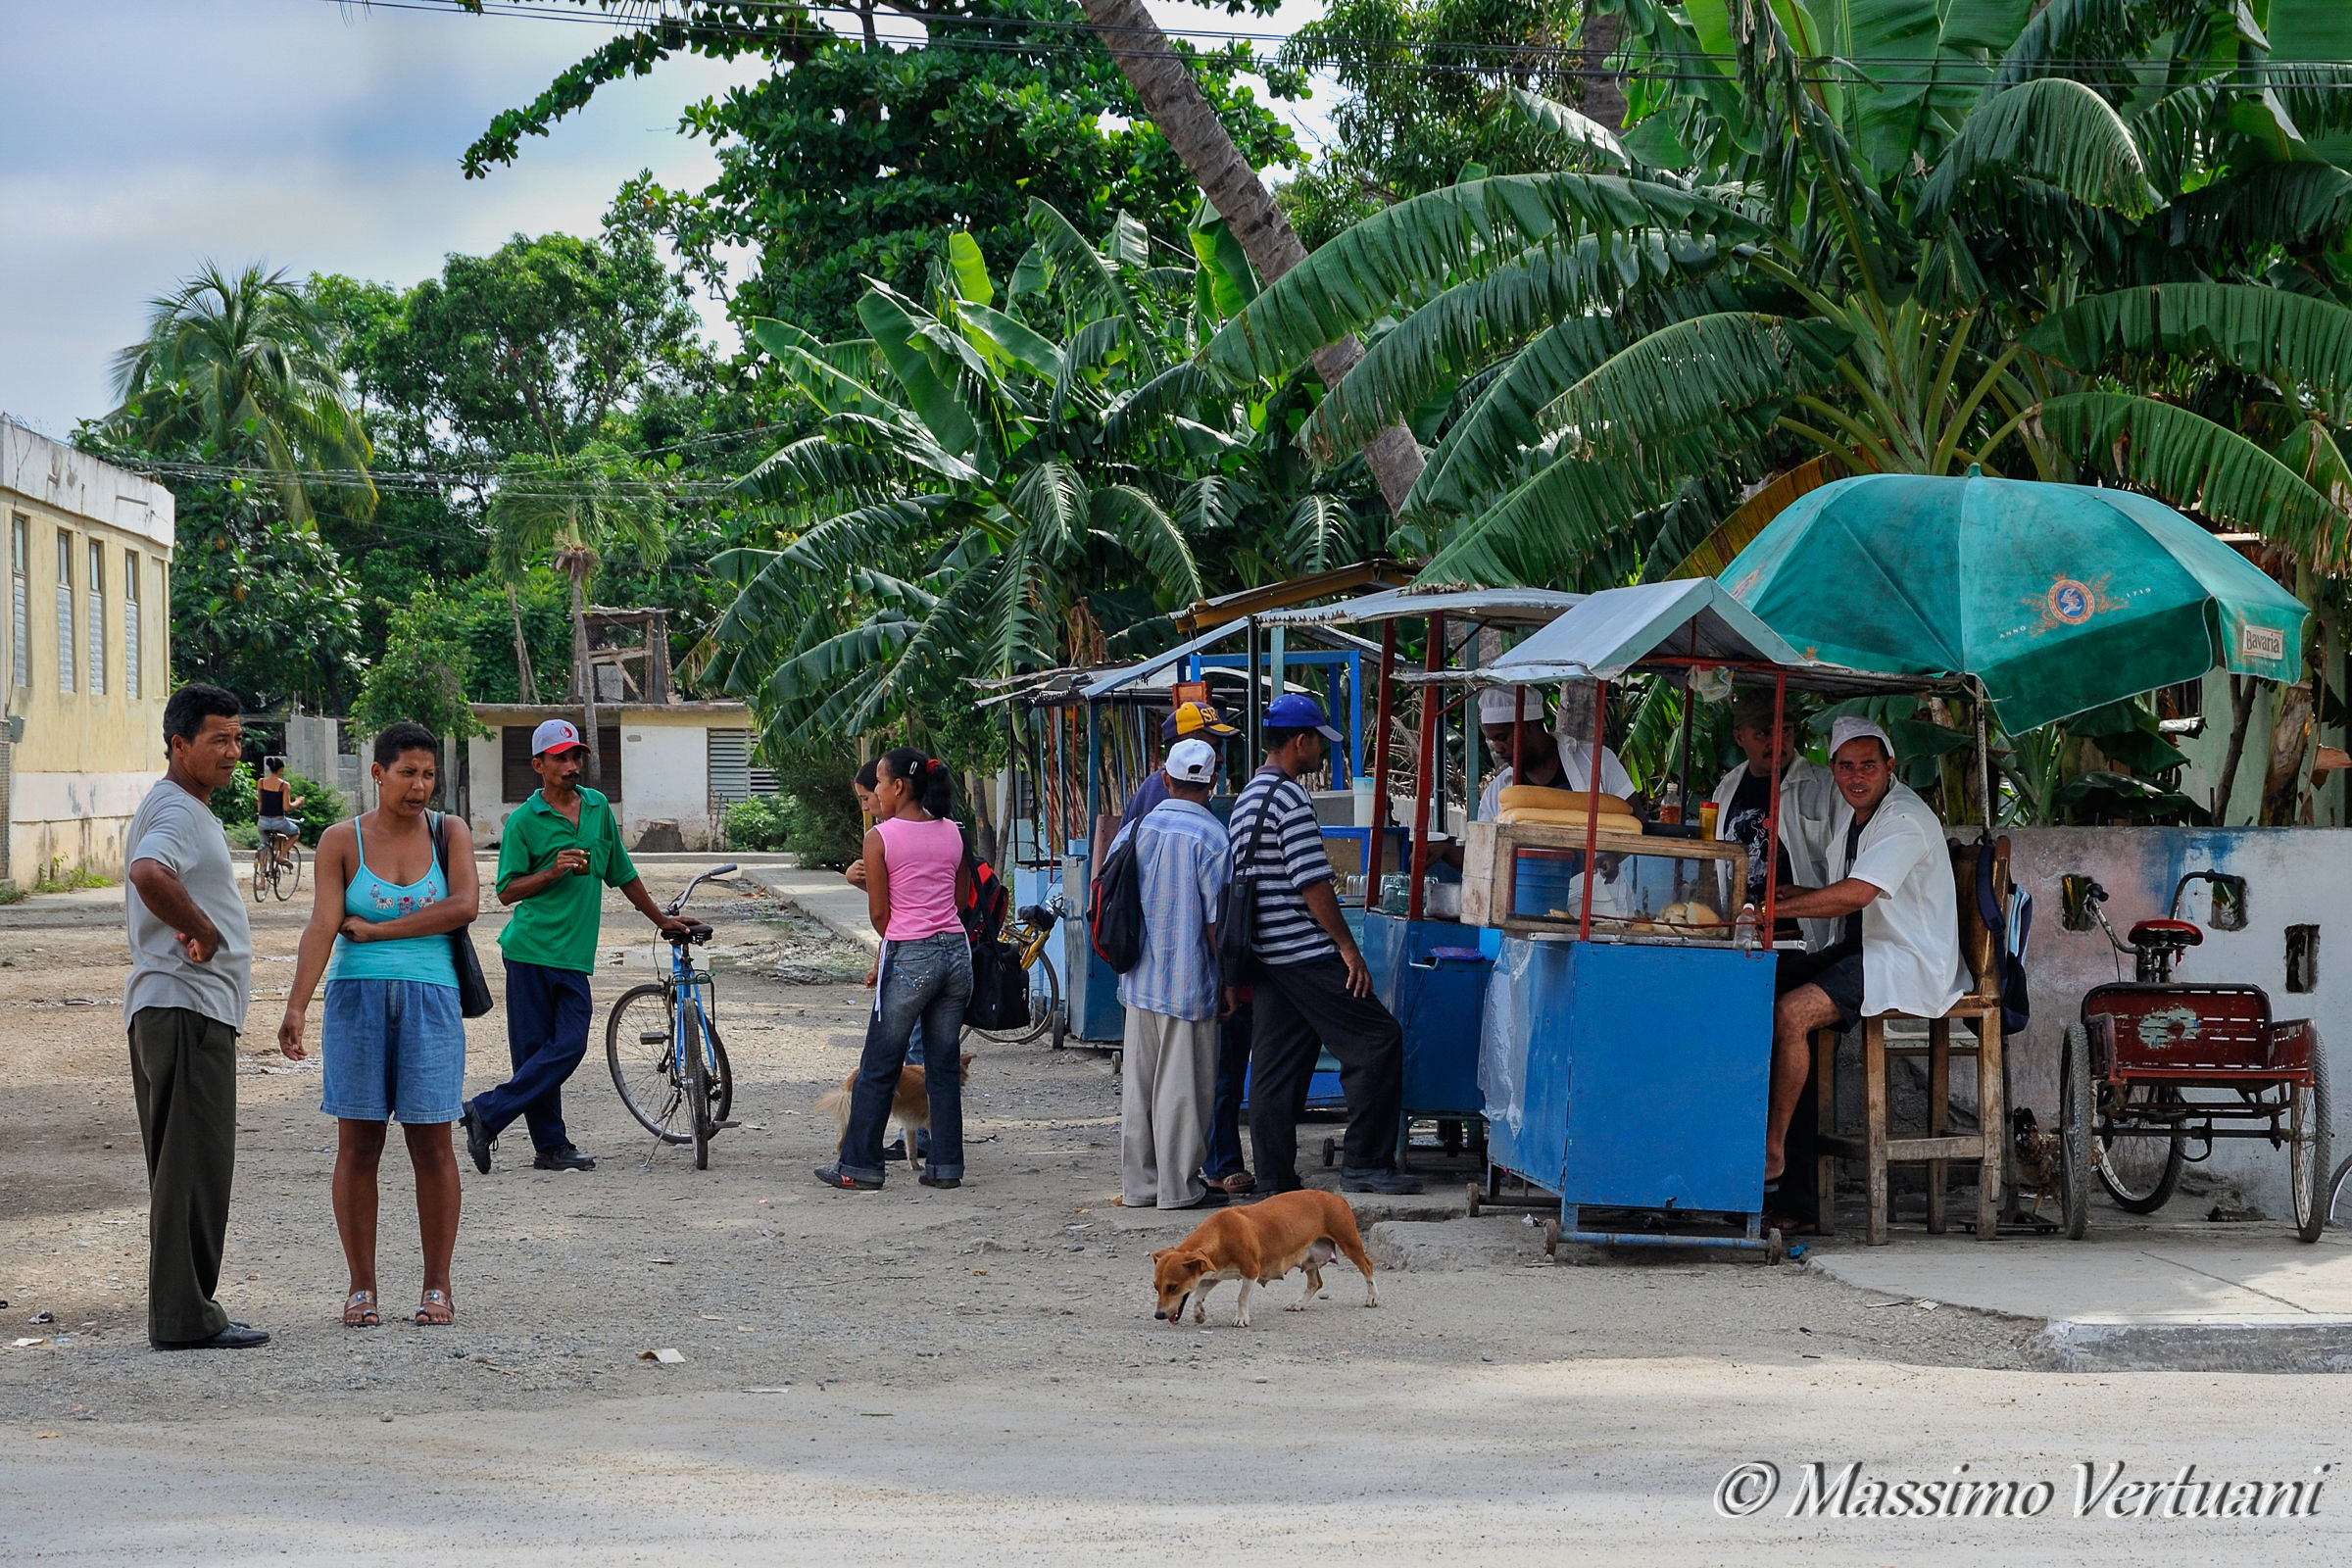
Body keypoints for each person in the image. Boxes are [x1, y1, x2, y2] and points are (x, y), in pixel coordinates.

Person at [277, 722, 479, 1328]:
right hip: (355, 999)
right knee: (359, 1145)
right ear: (377, 773)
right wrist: (296, 1006)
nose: (419, 787)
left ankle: (437, 1286)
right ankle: (361, 1287)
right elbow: (322, 924)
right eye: (407, 773)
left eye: (428, 775)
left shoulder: (451, 833)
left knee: (432, 1144)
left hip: (432, 998)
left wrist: (381, 930)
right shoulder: (342, 840)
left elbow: (463, 906)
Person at [461, 718, 687, 1174]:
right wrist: (552, 871)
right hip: (529, 951)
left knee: (568, 1045)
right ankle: (551, 1147)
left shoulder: (598, 808)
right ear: (538, 765)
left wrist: (661, 919)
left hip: (573, 954)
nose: (570, 765)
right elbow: (506, 891)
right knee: (534, 1053)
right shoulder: (525, 821)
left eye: (575, 756)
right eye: (560, 758)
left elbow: (621, 872)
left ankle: (487, 1110)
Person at [1764, 718, 1970, 1205]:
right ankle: (1797, 1195)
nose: (1857, 776)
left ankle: (1772, 1153)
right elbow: (1841, 892)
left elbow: (1857, 893)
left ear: (1890, 767)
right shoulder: (1858, 816)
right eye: (1847, 766)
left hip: (1905, 957)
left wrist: (1777, 910)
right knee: (1755, 984)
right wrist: (1787, 896)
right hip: (1862, 949)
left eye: (1869, 766)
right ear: (1833, 769)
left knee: (1791, 1013)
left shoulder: (1903, 818)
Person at [1228, 693, 1422, 1197]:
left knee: (1274, 1068)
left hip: (1266, 955)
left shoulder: (1248, 796)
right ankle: (1365, 1162)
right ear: (1301, 741)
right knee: (1378, 1041)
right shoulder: (1290, 798)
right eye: (1319, 742)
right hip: (1303, 951)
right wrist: (1347, 948)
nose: (1322, 753)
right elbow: (1312, 882)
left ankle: (1275, 1180)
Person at [122, 683, 267, 1350]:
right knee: (193, 1170)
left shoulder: (184, 805)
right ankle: (184, 1317)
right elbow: (149, 873)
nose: (233, 752)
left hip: (182, 1009)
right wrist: (201, 928)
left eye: (237, 739)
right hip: (184, 1010)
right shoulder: (177, 811)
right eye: (218, 739)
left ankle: (187, 1309)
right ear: (179, 744)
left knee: (190, 1167)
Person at [817, 749, 975, 1191]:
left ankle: (859, 1167)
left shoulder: (881, 838)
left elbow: (881, 915)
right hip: (955, 954)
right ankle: (946, 1167)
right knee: (942, 1065)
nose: (878, 792)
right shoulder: (953, 833)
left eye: (881, 784)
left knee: (880, 1064)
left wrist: (898, 949)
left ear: (898, 788)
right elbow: (961, 901)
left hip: (911, 953)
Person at [1117, 701, 1251, 1196]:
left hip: (1138, 979)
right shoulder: (1214, 837)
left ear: (1167, 780)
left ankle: (1139, 1186)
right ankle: (1178, 1189)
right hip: (1191, 982)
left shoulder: (1135, 830)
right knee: (1183, 1090)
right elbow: (1218, 925)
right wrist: (1227, 983)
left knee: (1140, 1087)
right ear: (1211, 786)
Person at [1708, 687, 1840, 948]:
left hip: (1806, 940)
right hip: (1742, 938)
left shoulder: (1826, 787)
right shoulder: (1726, 788)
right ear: (1739, 736)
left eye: (1786, 731)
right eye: (1764, 733)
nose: (1777, 742)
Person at [1116, 701, 1239, 833]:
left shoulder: (1184, 791)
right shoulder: (1168, 798)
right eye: (1213, 749)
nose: (1221, 758)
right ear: (1187, 747)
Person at [256, 756, 305, 873]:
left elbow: (260, 802)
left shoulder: (261, 782)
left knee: (264, 845)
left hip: (262, 821)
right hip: (278, 821)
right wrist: (298, 802)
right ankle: (281, 856)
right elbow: (286, 807)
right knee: (295, 832)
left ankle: (262, 881)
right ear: (281, 769)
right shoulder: (284, 785)